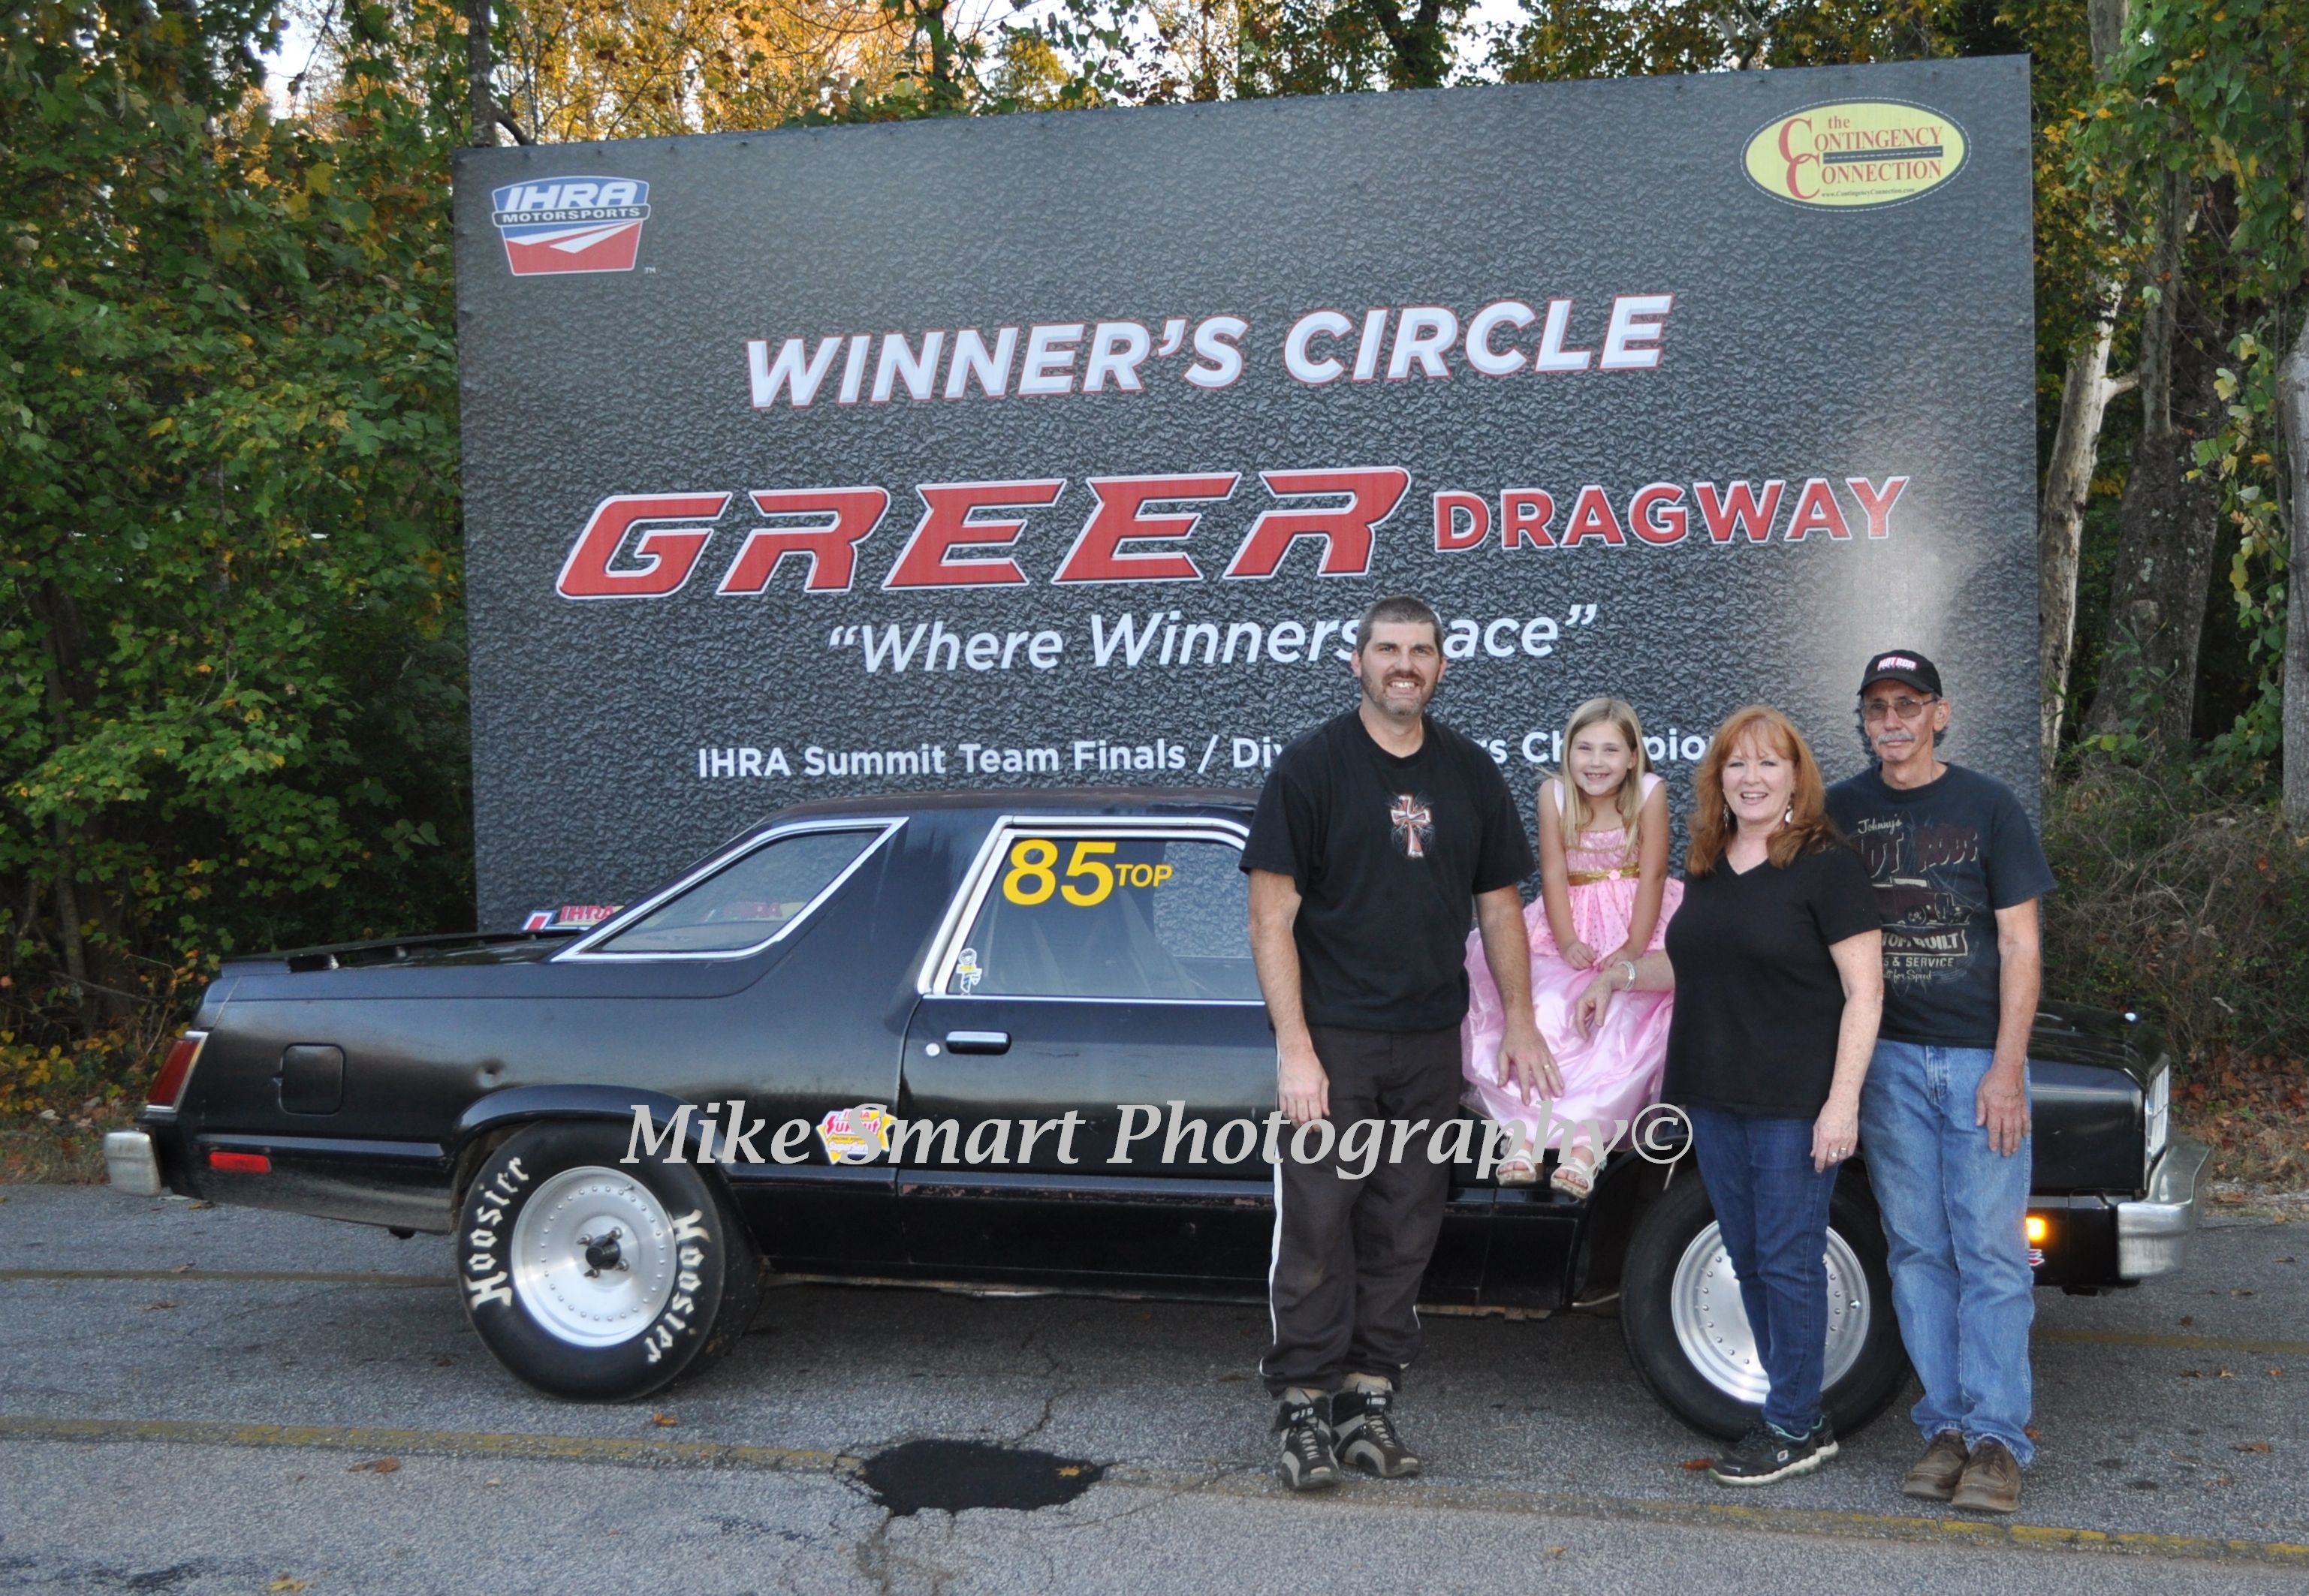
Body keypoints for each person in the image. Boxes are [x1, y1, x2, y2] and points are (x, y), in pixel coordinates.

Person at [1241, 593, 1560, 1491]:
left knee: (1405, 1224)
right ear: (1358, 661)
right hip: (1335, 1041)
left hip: (1430, 1040)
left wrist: (1521, 1017)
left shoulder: (1470, 771)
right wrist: (1295, 1047)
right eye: (1388, 648)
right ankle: (1303, 1406)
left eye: (1421, 650)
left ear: (1441, 666)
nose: (1404, 664)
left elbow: (1500, 907)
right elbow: (1271, 916)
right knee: (1316, 1225)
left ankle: (1367, 1399)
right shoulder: (1312, 767)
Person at [1575, 706, 1882, 1486]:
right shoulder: (1710, 863)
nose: (1751, 777)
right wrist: (1620, 974)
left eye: (1768, 763)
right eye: (1736, 764)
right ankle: (1793, 1411)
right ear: (1718, 779)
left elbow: (1865, 991)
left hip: (1792, 1102)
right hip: (1714, 1095)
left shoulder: (1828, 866)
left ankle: (1794, 1424)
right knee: (1747, 1257)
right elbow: (1693, 963)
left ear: (1795, 777)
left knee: (1788, 1260)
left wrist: (1842, 1102)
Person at [1825, 649, 2054, 1516]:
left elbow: (2021, 943)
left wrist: (2007, 1067)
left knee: (1991, 1249)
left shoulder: (1990, 806)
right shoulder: (1841, 811)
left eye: (1908, 703)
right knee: (1918, 1247)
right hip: (1885, 1061)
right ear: (1865, 720)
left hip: (1973, 1061)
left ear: (1939, 714)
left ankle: (1998, 1438)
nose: (1892, 719)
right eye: (1877, 706)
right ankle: (1947, 1425)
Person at [1461, 697, 1682, 1195]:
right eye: (1584, 748)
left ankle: (1586, 1148)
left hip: (1637, 921)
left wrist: (1634, 945)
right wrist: (1565, 941)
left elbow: (1652, 874)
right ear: (1567, 752)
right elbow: (1554, 873)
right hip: (1571, 921)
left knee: (1622, 1017)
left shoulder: (1650, 791)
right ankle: (1523, 1137)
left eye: (1610, 750)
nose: (1596, 762)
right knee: (1542, 1005)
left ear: (1632, 757)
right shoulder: (1554, 794)